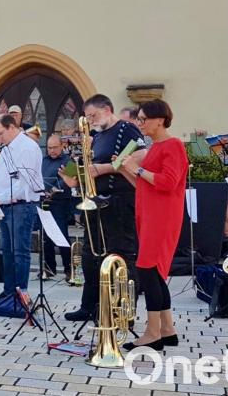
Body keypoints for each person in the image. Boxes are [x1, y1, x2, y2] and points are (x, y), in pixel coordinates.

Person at [59, 94, 147, 322]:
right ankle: (89, 305)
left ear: (107, 109)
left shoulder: (126, 128)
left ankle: (123, 312)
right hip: (96, 203)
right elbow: (88, 165)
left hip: (119, 201)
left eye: (93, 115)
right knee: (90, 256)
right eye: (87, 117)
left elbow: (138, 155)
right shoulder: (97, 137)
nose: (91, 120)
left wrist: (104, 168)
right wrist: (72, 176)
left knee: (121, 255)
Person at [118, 99, 188, 351]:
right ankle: (167, 329)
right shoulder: (155, 147)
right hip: (149, 215)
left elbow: (168, 182)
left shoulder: (173, 145)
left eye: (143, 119)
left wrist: (136, 169)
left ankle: (152, 332)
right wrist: (126, 168)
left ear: (160, 120)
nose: (140, 123)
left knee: (148, 270)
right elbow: (144, 185)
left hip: (162, 217)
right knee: (154, 272)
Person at [0, 114, 43, 300]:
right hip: (6, 205)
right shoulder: (7, 148)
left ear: (12, 128)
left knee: (19, 252)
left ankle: (19, 294)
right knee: (6, 251)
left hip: (22, 206)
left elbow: (24, 185)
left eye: (0, 134)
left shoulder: (27, 148)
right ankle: (8, 292)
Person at [39, 134, 73, 280]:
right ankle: (49, 268)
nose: (52, 150)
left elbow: (66, 180)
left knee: (61, 236)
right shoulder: (43, 160)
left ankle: (68, 269)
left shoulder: (69, 160)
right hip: (44, 201)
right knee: (45, 237)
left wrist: (52, 191)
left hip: (60, 202)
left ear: (62, 146)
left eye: (55, 147)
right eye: (49, 148)